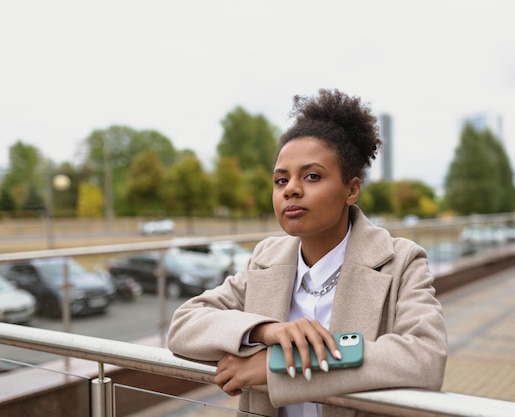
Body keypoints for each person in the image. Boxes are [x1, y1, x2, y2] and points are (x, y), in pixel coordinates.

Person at [167, 88, 448, 417]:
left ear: (351, 189)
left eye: (312, 176)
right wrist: (266, 331)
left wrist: (278, 366)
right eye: (280, 180)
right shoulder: (265, 258)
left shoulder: (401, 261)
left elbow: (425, 358)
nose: (291, 189)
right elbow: (184, 325)